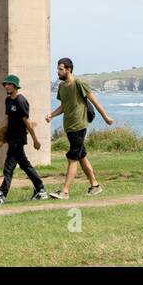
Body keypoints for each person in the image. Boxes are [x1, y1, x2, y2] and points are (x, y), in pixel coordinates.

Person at [44, 57, 113, 198]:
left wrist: (105, 117)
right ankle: (95, 185)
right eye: (57, 69)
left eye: (60, 69)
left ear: (68, 70)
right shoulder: (62, 87)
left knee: (72, 157)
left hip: (79, 126)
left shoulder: (79, 84)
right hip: (69, 127)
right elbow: (64, 106)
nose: (58, 72)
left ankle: (65, 191)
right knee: (81, 156)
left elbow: (94, 100)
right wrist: (51, 115)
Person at [0, 74, 49, 205]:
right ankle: (40, 190)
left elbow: (28, 123)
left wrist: (35, 140)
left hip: (18, 139)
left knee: (8, 167)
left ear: (15, 86)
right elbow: (7, 120)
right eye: (5, 84)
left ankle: (0, 195)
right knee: (25, 165)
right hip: (10, 138)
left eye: (9, 84)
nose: (6, 86)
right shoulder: (8, 100)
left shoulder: (21, 101)